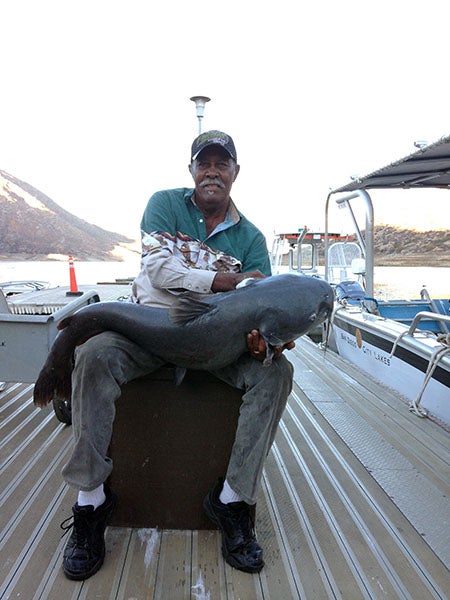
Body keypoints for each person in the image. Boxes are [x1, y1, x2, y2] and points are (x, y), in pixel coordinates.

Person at [60, 130, 294, 580]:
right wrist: (223, 282)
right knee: (93, 356)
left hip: (218, 347)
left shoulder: (251, 239)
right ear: (191, 170)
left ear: (234, 173)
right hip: (150, 331)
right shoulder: (164, 205)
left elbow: (262, 305)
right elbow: (158, 268)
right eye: (203, 163)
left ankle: (232, 501)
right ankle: (90, 502)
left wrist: (263, 339)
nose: (212, 171)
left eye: (221, 164)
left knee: (276, 373)